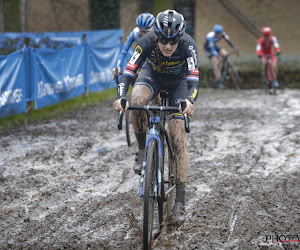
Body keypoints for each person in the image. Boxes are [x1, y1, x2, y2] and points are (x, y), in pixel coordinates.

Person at [113, 9, 199, 220]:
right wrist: (122, 96)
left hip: (179, 83)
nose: (168, 46)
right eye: (163, 41)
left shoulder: (188, 45)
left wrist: (189, 100)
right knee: (138, 100)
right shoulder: (146, 41)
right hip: (152, 76)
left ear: (179, 38)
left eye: (173, 42)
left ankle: (179, 200)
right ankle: (143, 149)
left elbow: (194, 81)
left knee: (178, 139)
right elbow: (128, 72)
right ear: (156, 36)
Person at [203, 24, 239, 88]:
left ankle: (223, 71)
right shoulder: (210, 36)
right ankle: (219, 80)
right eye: (217, 33)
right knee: (216, 62)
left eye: (220, 33)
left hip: (215, 46)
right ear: (215, 32)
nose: (219, 35)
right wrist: (217, 56)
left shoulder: (223, 34)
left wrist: (234, 48)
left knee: (225, 54)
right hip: (208, 49)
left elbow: (229, 41)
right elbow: (212, 49)